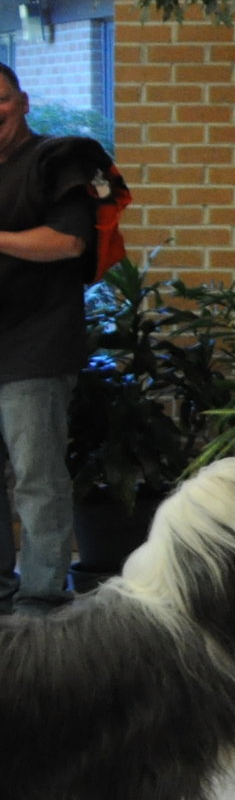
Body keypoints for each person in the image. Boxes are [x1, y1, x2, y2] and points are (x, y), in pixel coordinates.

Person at [0, 63, 95, 619]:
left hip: (35, 348)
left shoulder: (57, 161)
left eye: (2, 99)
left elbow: (66, 242)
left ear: (23, 100)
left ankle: (43, 597)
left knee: (37, 480)